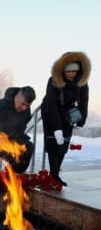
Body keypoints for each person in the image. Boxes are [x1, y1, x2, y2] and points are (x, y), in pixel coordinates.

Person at [41, 51, 90, 186]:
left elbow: (84, 103)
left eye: (74, 71)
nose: (71, 74)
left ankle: (55, 174)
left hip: (68, 112)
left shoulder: (82, 82)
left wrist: (81, 120)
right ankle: (53, 174)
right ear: (62, 69)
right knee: (54, 141)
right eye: (68, 71)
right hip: (50, 111)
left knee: (64, 142)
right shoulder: (53, 81)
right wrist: (56, 128)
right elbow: (52, 104)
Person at [0, 86, 36, 173]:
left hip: (13, 137)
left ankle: (16, 175)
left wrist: (18, 148)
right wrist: (11, 157)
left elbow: (21, 128)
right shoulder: (0, 108)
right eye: (23, 104)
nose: (24, 108)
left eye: (28, 106)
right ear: (17, 97)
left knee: (28, 147)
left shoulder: (26, 110)